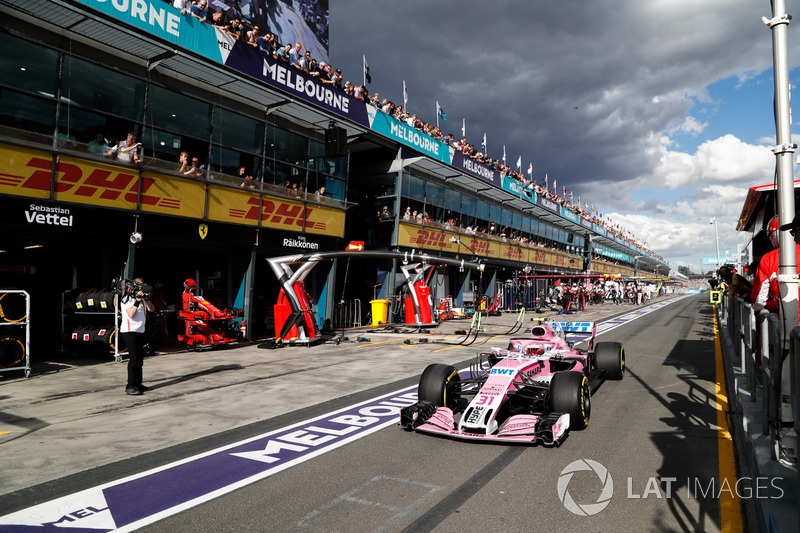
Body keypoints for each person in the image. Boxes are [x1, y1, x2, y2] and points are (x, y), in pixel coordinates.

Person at [120, 278, 155, 395]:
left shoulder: (143, 299)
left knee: (140, 359)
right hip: (129, 331)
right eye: (139, 285)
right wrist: (137, 300)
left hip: (140, 331)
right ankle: (130, 386)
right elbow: (130, 314)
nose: (141, 287)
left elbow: (152, 309)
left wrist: (146, 299)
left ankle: (138, 383)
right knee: (134, 358)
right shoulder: (127, 299)